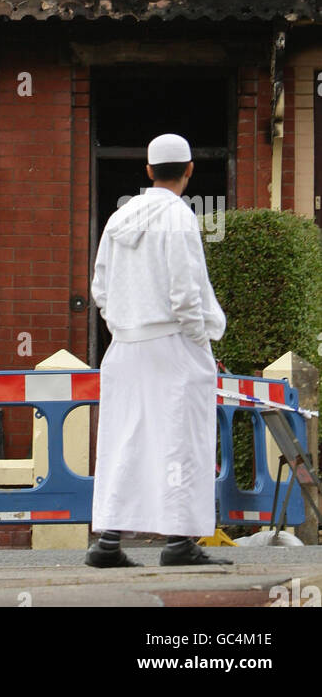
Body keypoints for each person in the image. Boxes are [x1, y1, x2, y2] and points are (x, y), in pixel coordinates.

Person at [85, 133, 231, 568]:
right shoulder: (180, 219)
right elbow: (185, 294)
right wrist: (199, 343)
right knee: (181, 441)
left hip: (127, 347)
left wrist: (123, 327)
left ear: (148, 171)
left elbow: (100, 289)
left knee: (124, 440)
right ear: (190, 170)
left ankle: (107, 542)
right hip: (172, 343)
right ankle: (179, 543)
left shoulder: (119, 218)